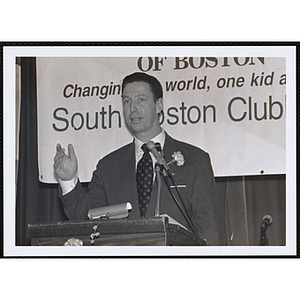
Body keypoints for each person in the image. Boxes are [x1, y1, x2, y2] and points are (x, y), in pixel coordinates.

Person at [54, 72, 222, 245]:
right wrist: (68, 179)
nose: (132, 108)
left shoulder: (195, 160)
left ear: (159, 105)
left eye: (140, 100)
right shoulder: (108, 167)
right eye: (127, 101)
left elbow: (209, 230)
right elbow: (85, 219)